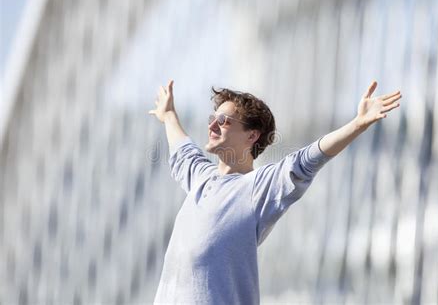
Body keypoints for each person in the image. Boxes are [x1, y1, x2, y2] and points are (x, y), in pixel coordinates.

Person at [148, 80, 402, 304]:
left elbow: (307, 160)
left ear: (252, 136)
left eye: (224, 121)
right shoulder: (200, 177)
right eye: (212, 119)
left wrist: (357, 125)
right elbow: (182, 148)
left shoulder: (257, 187)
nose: (213, 125)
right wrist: (169, 115)